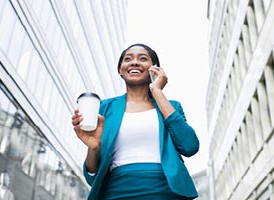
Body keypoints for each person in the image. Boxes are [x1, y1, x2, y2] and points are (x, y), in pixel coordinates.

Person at [72, 43, 200, 199]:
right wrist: (94, 148)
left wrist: (157, 91)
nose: (134, 62)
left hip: (166, 192)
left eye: (143, 58)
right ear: (120, 69)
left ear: (155, 69)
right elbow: (93, 177)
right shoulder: (104, 108)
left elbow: (190, 146)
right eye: (128, 59)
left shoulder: (171, 106)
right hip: (117, 192)